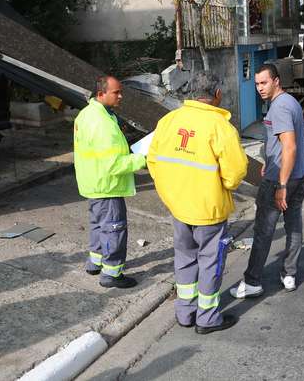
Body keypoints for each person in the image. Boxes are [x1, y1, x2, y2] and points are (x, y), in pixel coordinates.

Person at [147, 71, 248, 334]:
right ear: (217, 95)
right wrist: (224, 186)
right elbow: (235, 174)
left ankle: (185, 312)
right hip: (208, 211)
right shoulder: (221, 128)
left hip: (178, 207)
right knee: (209, 262)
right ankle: (207, 318)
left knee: (184, 259)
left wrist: (170, 192)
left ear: (191, 93)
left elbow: (153, 161)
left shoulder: (169, 120)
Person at [231, 63, 304, 299]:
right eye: (256, 84)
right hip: (298, 174)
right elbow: (279, 143)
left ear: (276, 81)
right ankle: (289, 275)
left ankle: (253, 281)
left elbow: (290, 146)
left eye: (264, 82)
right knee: (293, 224)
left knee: (264, 230)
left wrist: (281, 185)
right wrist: (268, 158)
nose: (259, 88)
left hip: (281, 179)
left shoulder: (280, 108)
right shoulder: (289, 102)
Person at [73, 75, 146, 289]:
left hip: (93, 182)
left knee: (99, 226)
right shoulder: (102, 123)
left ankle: (95, 262)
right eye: (116, 92)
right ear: (101, 94)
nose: (120, 96)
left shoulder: (87, 114)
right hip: (107, 185)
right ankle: (111, 273)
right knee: (114, 228)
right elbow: (114, 165)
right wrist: (143, 159)